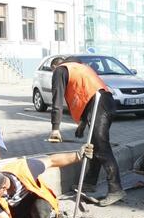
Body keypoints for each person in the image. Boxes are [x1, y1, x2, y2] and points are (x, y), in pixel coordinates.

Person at [47, 57, 125, 206]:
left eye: (53, 71)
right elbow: (85, 93)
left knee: (102, 147)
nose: (54, 74)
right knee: (94, 146)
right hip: (105, 102)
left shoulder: (60, 70)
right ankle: (89, 183)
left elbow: (57, 101)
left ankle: (116, 189)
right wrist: (83, 124)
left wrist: (55, 129)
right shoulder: (79, 68)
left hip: (99, 105)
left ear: (56, 66)